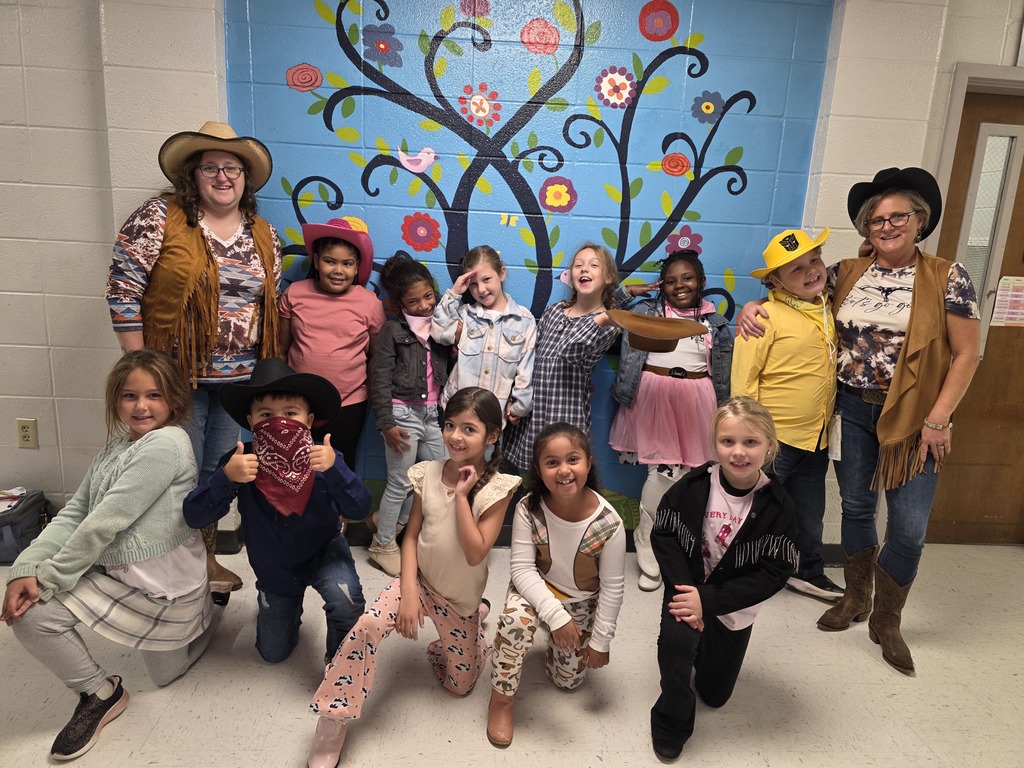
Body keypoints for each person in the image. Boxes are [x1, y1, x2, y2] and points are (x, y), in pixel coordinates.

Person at [738, 168, 980, 675]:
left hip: (915, 416)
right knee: (854, 506)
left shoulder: (947, 275)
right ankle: (856, 597)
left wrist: (940, 418)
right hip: (850, 407)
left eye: (899, 217)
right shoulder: (847, 272)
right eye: (877, 219)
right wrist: (752, 308)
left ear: (920, 220)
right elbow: (795, 300)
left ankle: (887, 620)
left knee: (910, 526)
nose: (887, 226)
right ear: (867, 228)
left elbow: (966, 355)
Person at [1, 350, 218, 761]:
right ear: (115, 400)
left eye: (154, 395)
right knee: (30, 614)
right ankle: (99, 692)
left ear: (173, 400)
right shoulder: (117, 448)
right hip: (119, 577)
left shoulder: (168, 444)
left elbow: (104, 523)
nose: (140, 406)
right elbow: (76, 513)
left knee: (166, 677)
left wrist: (48, 577)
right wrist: (25, 568)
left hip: (164, 590)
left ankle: (206, 612)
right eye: (129, 395)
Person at [106, 120, 282, 592]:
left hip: (237, 381)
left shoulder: (263, 233)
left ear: (245, 178)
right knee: (170, 472)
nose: (223, 177)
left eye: (232, 168)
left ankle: (201, 559)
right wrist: (142, 369)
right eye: (211, 168)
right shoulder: (158, 217)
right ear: (193, 175)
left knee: (212, 476)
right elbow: (123, 290)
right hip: (174, 377)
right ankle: (157, 563)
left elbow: (270, 304)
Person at [306, 387, 521, 768]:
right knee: (368, 623)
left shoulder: (499, 488)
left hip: (460, 600)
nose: (455, 436)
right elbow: (410, 537)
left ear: (491, 436)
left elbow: (475, 552)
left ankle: (475, 620)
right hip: (419, 584)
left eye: (468, 429)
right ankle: (333, 717)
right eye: (450, 425)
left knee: (460, 688)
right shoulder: (426, 472)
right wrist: (407, 592)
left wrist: (462, 494)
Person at [182, 358, 371, 665]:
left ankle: (340, 662)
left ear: (309, 420)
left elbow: (360, 507)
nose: (279, 422)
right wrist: (225, 479)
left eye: (290, 414)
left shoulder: (324, 458)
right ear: (250, 420)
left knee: (347, 600)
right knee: (272, 652)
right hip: (274, 568)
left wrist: (336, 470)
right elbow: (194, 516)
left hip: (324, 551)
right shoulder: (240, 461)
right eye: (266, 415)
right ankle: (281, 611)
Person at [648, 397, 797, 761]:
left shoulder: (778, 506)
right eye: (728, 442)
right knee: (677, 647)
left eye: (751, 442)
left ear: (769, 447)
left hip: (732, 608)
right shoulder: (693, 486)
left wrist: (709, 602)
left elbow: (774, 571)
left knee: (715, 695)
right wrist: (689, 596)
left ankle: (706, 653)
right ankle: (672, 719)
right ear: (714, 445)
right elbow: (665, 537)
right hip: (686, 594)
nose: (739, 452)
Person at [486, 422, 625, 748]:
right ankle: (501, 700)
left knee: (568, 683)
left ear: (588, 463)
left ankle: (556, 645)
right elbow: (521, 569)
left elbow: (613, 588)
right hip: (536, 590)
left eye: (572, 459)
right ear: (539, 469)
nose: (564, 470)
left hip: (581, 600)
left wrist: (600, 641)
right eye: (552, 462)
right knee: (515, 622)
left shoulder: (610, 523)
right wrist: (555, 615)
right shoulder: (528, 507)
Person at [609, 250, 733, 591]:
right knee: (661, 472)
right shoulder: (648, 312)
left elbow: (722, 370)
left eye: (688, 278)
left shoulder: (715, 322)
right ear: (662, 285)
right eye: (672, 280)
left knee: (694, 479)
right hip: (655, 397)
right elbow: (606, 312)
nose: (680, 285)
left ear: (702, 283)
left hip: (697, 400)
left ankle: (677, 544)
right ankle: (647, 542)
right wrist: (628, 292)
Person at [731, 229, 842, 602]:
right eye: (796, 270)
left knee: (810, 514)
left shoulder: (831, 306)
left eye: (814, 260)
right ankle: (735, 568)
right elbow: (743, 382)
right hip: (776, 438)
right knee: (754, 509)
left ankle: (807, 570)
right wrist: (749, 438)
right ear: (776, 281)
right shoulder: (763, 317)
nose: (811, 271)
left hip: (817, 437)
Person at [367, 254, 451, 576]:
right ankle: (383, 544)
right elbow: (380, 378)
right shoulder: (392, 331)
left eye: (428, 296)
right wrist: (386, 422)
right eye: (413, 301)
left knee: (438, 474)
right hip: (402, 413)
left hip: (432, 413)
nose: (424, 305)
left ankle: (392, 521)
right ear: (399, 302)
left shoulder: (441, 327)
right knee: (400, 481)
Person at [279, 216, 386, 470]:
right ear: (316, 261)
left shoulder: (369, 303)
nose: (339, 270)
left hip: (349, 402)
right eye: (330, 261)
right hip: (298, 402)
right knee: (294, 464)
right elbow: (280, 350)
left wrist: (370, 397)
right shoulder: (294, 294)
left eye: (347, 264)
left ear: (357, 266)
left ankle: (337, 511)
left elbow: (376, 358)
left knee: (341, 466)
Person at [503, 244, 621, 471]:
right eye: (578, 265)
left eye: (593, 265)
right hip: (533, 410)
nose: (584, 269)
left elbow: (569, 351)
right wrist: (518, 399)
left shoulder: (607, 325)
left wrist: (601, 319)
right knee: (529, 473)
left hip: (565, 413)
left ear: (607, 277)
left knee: (560, 471)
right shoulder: (554, 310)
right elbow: (530, 357)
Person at [431, 245, 536, 426]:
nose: (481, 289)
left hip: (493, 417)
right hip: (457, 412)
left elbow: (526, 369)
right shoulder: (464, 314)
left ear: (501, 274)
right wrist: (454, 293)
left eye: (487, 279)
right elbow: (439, 333)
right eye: (473, 284)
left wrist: (521, 405)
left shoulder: (524, 320)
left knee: (488, 455)